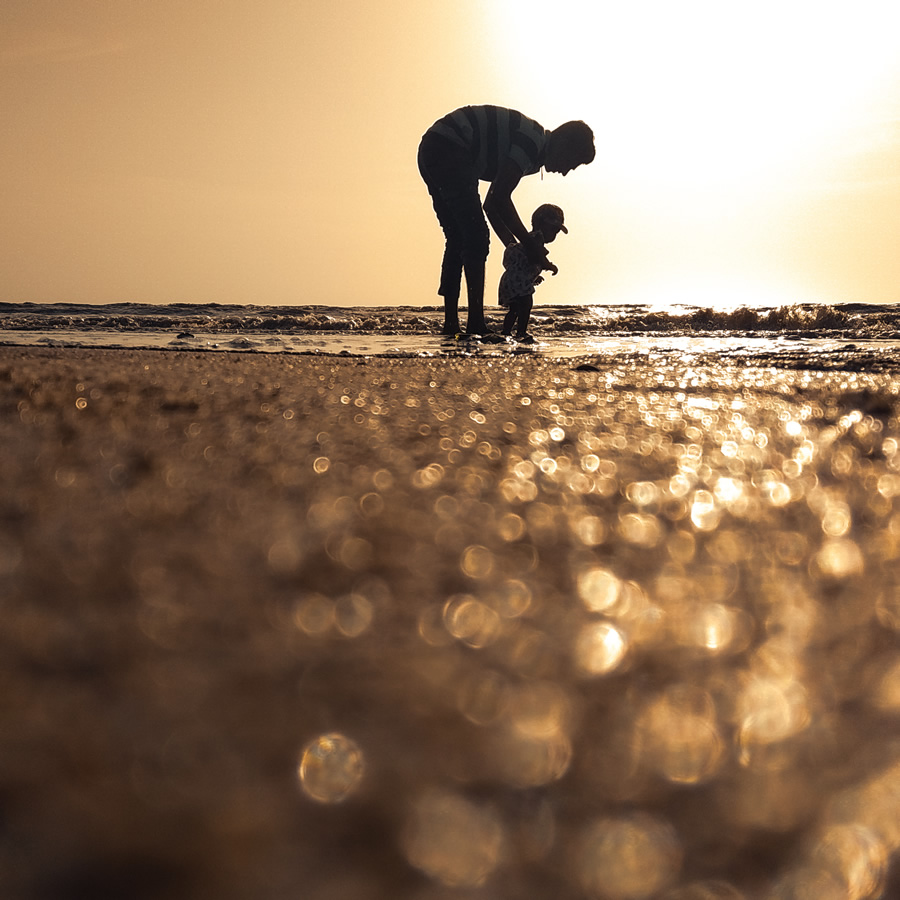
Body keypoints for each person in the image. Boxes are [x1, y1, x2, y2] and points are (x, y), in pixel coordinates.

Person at [417, 105, 594, 336]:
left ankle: (452, 324)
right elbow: (500, 198)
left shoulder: (533, 151)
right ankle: (475, 323)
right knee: (476, 238)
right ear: (563, 144)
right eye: (572, 162)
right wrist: (530, 247)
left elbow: (491, 204)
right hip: (450, 146)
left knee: (459, 238)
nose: (566, 171)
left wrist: (514, 247)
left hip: (432, 146)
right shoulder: (533, 142)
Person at [499, 204, 567, 343]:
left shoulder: (531, 239)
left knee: (515, 309)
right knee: (526, 304)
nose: (554, 235)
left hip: (512, 280)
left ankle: (506, 331)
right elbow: (535, 256)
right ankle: (521, 332)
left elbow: (525, 263)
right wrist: (549, 266)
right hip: (518, 280)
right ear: (542, 225)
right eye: (553, 230)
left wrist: (533, 276)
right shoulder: (536, 238)